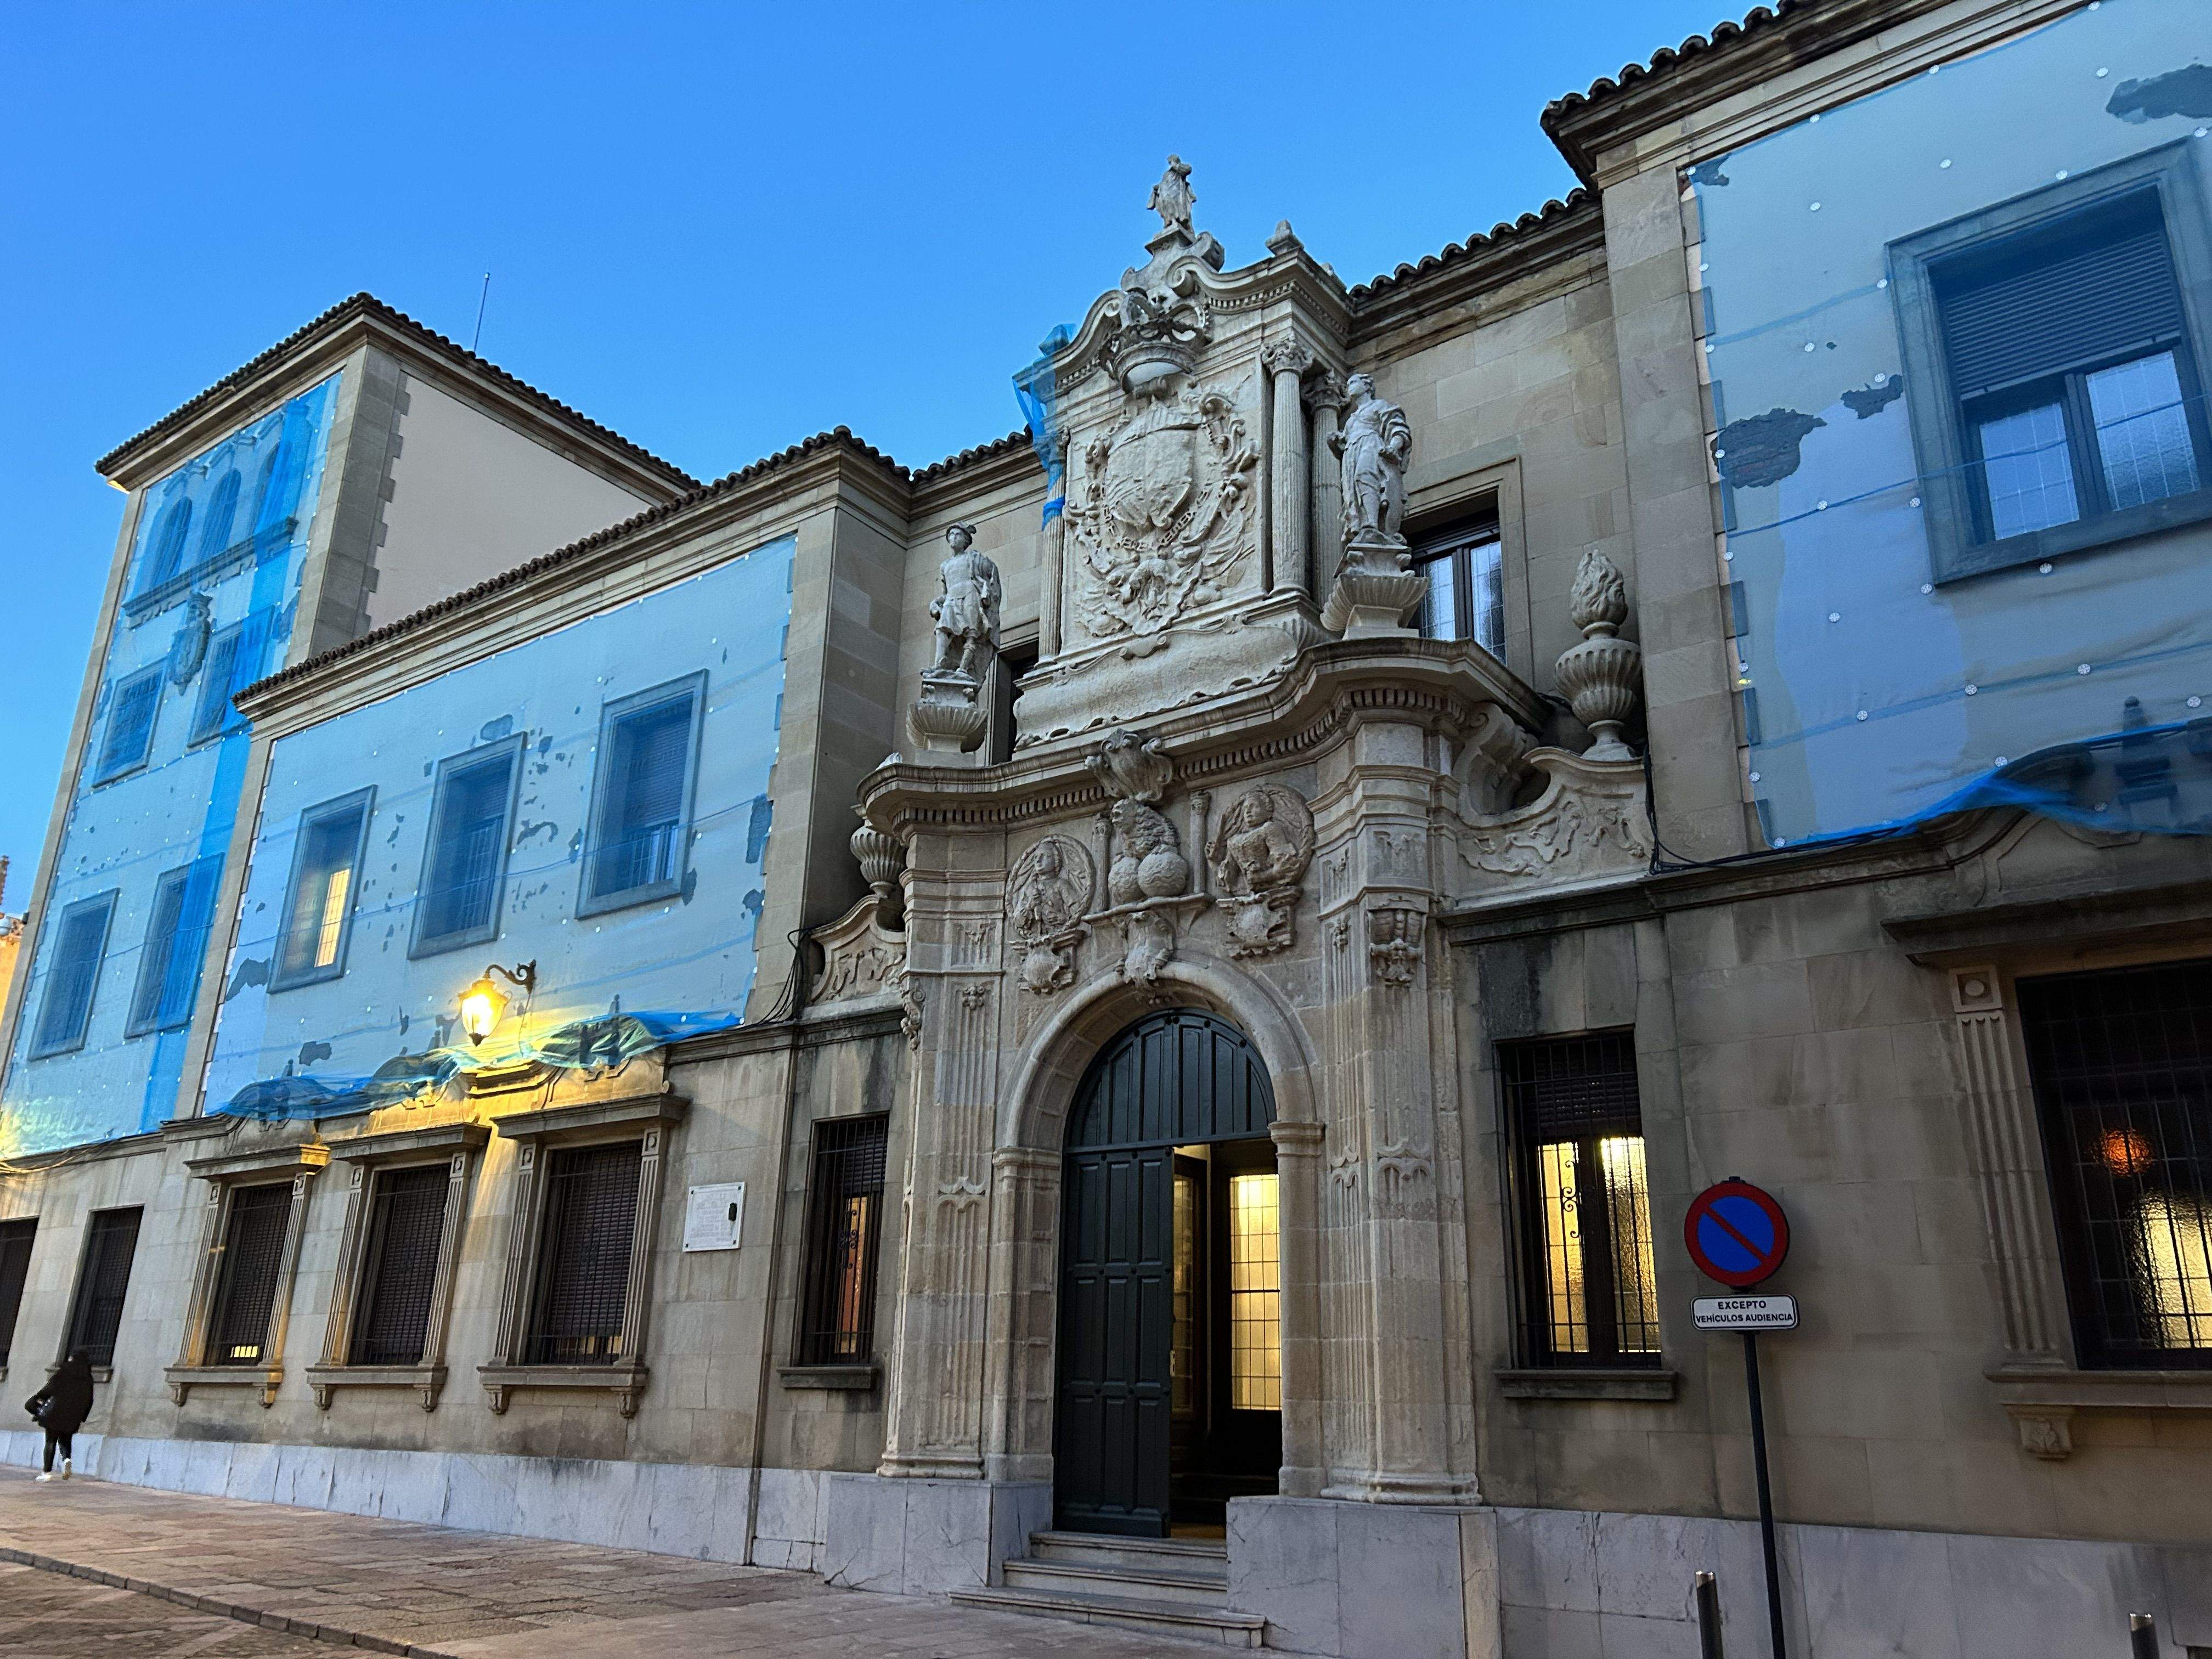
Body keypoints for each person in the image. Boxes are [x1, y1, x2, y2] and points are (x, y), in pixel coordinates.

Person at [25, 1351, 94, 1482]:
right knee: (66, 1439)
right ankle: (66, 1459)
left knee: (51, 1441)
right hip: (73, 1416)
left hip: (56, 1414)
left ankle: (46, 1473)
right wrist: (82, 1417)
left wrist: (37, 1400)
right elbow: (90, 1400)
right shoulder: (87, 1379)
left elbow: (48, 1390)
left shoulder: (64, 1373)